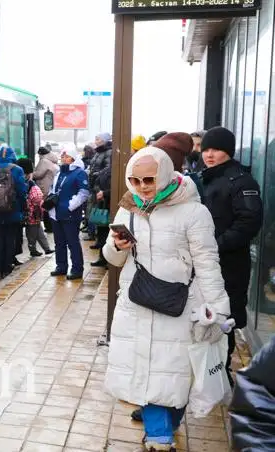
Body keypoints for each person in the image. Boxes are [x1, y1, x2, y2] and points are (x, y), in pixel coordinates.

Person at [103, 147, 230, 451]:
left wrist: (218, 308)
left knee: (174, 372)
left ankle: (168, 423)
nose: (142, 186)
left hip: (180, 305)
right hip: (136, 303)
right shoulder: (127, 208)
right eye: (134, 180)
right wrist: (117, 246)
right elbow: (113, 259)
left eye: (148, 179)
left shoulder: (193, 212)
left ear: (164, 174)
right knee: (145, 372)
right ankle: (158, 436)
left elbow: (207, 262)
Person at [199, 126, 263, 386]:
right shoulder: (204, 178)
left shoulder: (242, 182)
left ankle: (220, 375)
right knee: (204, 315)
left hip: (229, 263)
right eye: (206, 149)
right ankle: (206, 372)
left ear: (228, 151)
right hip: (205, 263)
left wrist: (215, 246)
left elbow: (249, 223)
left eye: (216, 149)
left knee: (225, 318)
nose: (209, 155)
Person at [0, 146, 27, 278]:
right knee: (10, 239)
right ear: (13, 156)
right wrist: (22, 208)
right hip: (13, 211)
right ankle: (7, 267)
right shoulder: (17, 170)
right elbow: (22, 192)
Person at [49, 145, 90, 280]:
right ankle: (61, 266)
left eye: (67, 156)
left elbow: (83, 193)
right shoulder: (59, 172)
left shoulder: (79, 173)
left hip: (70, 214)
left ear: (73, 158)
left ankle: (77, 269)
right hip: (56, 213)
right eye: (62, 156)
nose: (63, 159)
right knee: (59, 242)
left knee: (73, 242)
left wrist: (70, 206)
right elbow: (53, 189)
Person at [17, 158, 53, 257]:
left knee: (39, 232)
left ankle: (46, 248)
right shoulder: (29, 184)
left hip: (33, 214)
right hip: (32, 214)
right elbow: (35, 199)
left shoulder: (26, 183)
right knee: (32, 234)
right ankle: (33, 250)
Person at [88, 133, 112, 267]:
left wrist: (104, 192)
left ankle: (107, 258)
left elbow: (107, 172)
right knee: (101, 227)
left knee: (107, 229)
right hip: (99, 194)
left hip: (107, 198)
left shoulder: (109, 153)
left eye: (98, 139)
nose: (96, 141)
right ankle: (102, 257)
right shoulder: (98, 153)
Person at [33, 146, 58, 232]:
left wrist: (31, 173)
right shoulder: (50, 160)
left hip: (44, 186)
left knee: (45, 207)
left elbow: (39, 174)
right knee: (48, 206)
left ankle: (49, 227)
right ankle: (50, 226)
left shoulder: (44, 161)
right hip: (49, 185)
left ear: (40, 154)